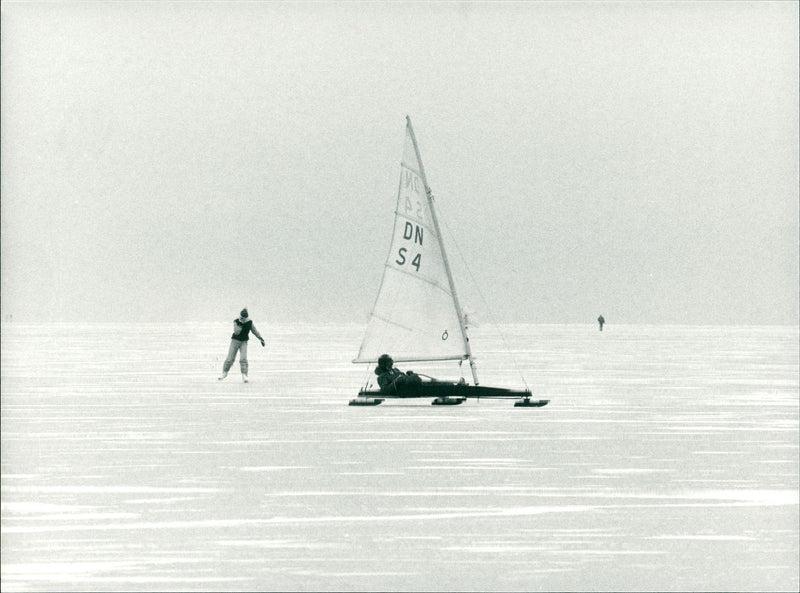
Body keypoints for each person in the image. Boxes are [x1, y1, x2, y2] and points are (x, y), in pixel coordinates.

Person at [219, 308, 265, 383]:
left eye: (244, 318)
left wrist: (260, 338)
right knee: (230, 359)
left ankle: (244, 375)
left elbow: (254, 331)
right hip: (234, 341)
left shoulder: (249, 322)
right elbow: (237, 332)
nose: (243, 319)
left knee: (243, 359)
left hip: (244, 342)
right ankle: (224, 373)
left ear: (246, 317)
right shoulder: (236, 321)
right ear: (240, 316)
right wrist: (240, 324)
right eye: (242, 318)